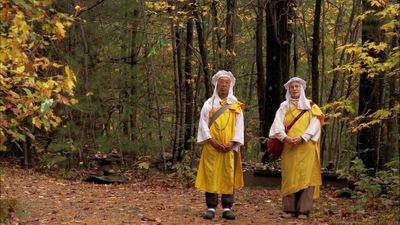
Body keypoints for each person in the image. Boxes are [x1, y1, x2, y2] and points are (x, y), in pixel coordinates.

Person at [268, 77, 324, 219]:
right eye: (292, 87)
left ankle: (304, 210)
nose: (294, 89)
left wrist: (303, 137)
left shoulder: (311, 106)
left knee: (306, 177)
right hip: (289, 148)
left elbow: (315, 124)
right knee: (289, 176)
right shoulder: (283, 107)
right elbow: (277, 125)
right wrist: (285, 138)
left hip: (306, 148)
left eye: (297, 87)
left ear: (302, 89)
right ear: (288, 90)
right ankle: (289, 209)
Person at [195, 70, 245, 220]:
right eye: (221, 82)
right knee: (211, 175)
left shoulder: (236, 105)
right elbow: (203, 125)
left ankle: (227, 207)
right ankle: (211, 207)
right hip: (212, 147)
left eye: (227, 82)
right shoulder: (208, 104)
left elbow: (239, 125)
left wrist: (232, 142)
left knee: (228, 175)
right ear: (216, 84)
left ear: (230, 85)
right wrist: (212, 141)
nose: (224, 85)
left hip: (230, 148)